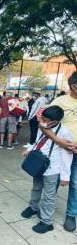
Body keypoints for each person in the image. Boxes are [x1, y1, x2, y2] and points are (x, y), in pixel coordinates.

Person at [21, 106, 73, 233]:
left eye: (44, 119)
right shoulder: (43, 127)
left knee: (49, 196)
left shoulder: (65, 133)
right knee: (36, 187)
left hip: (52, 169)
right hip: (38, 165)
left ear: (54, 121)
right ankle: (33, 207)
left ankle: (47, 221)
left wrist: (65, 176)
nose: (42, 120)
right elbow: (38, 141)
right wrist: (29, 149)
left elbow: (68, 155)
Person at [39, 72, 77, 232]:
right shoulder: (60, 101)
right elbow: (42, 122)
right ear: (73, 86)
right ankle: (46, 213)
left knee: (75, 184)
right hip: (59, 151)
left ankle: (71, 214)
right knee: (51, 183)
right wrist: (58, 140)